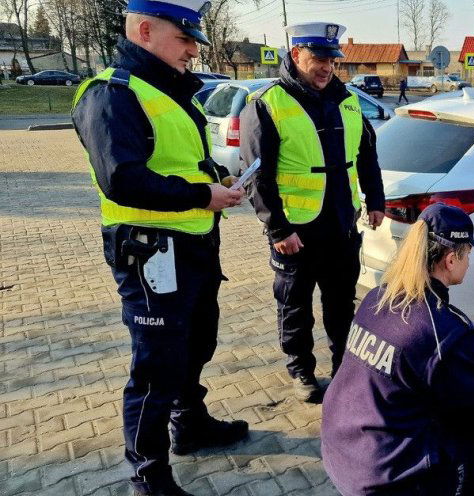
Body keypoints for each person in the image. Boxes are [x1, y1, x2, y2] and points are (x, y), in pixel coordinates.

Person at [71, 1, 249, 494]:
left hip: (192, 248)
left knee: (195, 344)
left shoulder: (168, 91)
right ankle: (148, 474)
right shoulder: (111, 94)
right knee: (155, 367)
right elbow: (122, 179)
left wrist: (220, 181)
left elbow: (179, 162)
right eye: (186, 38)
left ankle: (189, 424)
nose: (194, 50)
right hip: (151, 255)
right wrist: (202, 195)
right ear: (145, 30)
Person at [321, 203, 474, 495]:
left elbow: (419, 355)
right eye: (467, 254)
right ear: (451, 260)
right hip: (388, 476)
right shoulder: (441, 326)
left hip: (342, 449)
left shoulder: (380, 296)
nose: (469, 262)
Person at [239, 21, 385, 402]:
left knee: (341, 305)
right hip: (295, 232)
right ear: (296, 55)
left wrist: (376, 201)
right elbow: (258, 176)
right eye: (318, 58)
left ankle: (343, 369)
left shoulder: (348, 100)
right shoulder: (268, 104)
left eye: (331, 60)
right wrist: (277, 230)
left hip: (341, 225)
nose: (326, 67)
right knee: (295, 305)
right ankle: (301, 370)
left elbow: (366, 154)